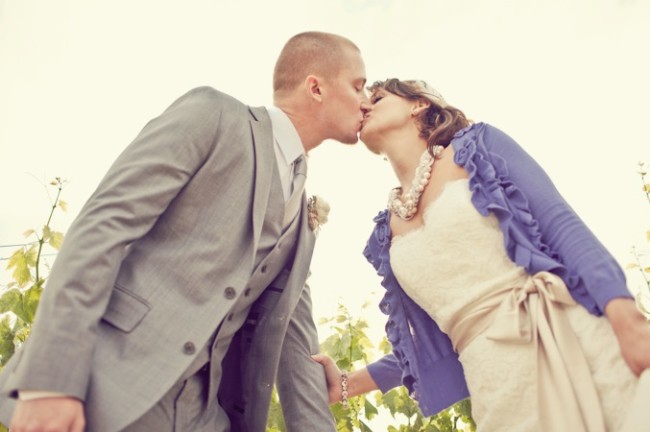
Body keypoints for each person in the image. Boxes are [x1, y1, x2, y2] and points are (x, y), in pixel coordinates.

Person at [0, 31, 371, 432]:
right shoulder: (214, 115)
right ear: (315, 87)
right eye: (358, 86)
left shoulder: (301, 214)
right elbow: (104, 224)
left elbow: (293, 335)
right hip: (106, 388)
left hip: (205, 416)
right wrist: (51, 382)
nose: (366, 101)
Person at [313, 78, 650, 431]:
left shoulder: (478, 147)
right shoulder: (386, 233)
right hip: (495, 387)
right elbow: (432, 346)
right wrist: (347, 384)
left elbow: (561, 225)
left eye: (377, 97)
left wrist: (629, 321)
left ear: (418, 104)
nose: (364, 105)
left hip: (572, 339)